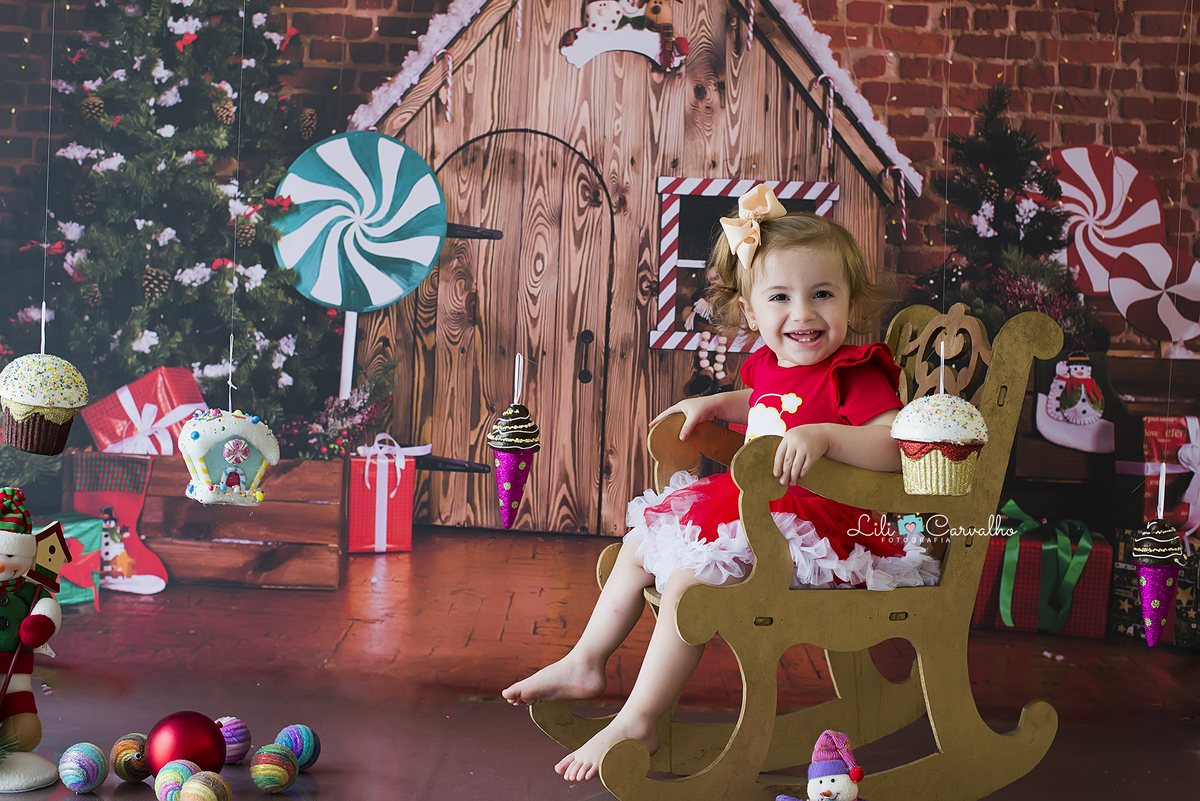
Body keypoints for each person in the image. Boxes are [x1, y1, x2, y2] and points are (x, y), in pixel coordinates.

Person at [502, 185, 940, 781]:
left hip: (822, 528)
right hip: (756, 509)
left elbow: (894, 446)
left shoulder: (855, 373)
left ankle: (642, 719)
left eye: (823, 295)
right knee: (640, 543)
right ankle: (586, 660)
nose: (804, 314)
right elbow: (765, 400)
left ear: (849, 302)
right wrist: (716, 403)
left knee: (689, 579)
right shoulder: (767, 362)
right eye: (781, 297)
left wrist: (827, 437)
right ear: (753, 312)